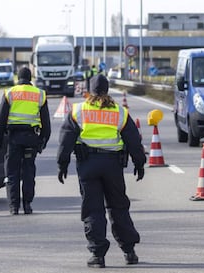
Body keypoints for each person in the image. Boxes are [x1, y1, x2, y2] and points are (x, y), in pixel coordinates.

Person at [56, 74, 146, 268]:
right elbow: (133, 140)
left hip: (88, 165)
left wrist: (62, 164)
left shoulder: (78, 110)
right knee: (119, 207)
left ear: (89, 90)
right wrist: (139, 163)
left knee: (93, 210)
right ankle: (129, 251)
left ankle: (98, 255)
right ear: (107, 89)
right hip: (113, 166)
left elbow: (65, 139)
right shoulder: (119, 112)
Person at [0, 67, 51, 215]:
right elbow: (46, 124)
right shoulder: (39, 94)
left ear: (18, 78)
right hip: (31, 138)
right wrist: (42, 142)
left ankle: (14, 206)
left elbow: (0, 120)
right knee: (28, 172)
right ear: (30, 78)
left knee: (12, 172)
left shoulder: (10, 93)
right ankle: (27, 204)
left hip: (13, 138)